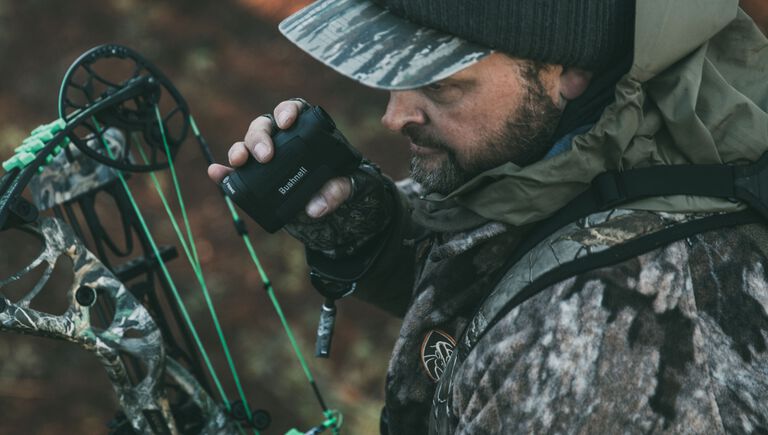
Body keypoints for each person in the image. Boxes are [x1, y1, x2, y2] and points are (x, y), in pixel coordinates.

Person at [209, 0, 768, 433]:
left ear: (567, 68)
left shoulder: (589, 365)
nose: (393, 114)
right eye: (392, 73)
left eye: (441, 82)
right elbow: (541, 250)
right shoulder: (615, 144)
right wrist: (373, 229)